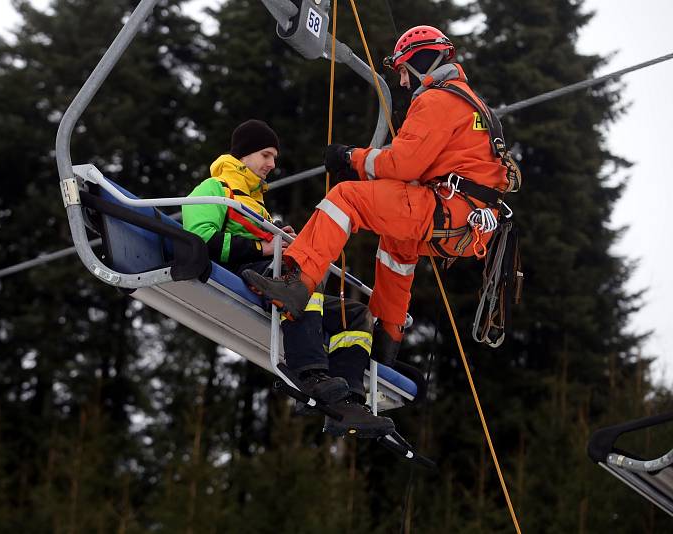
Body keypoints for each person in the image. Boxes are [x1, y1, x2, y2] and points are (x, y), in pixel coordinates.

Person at [243, 26, 520, 366]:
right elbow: (423, 167)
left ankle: (297, 284)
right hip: (469, 224)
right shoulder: (473, 105)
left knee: (346, 198)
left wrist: (350, 158)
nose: (403, 82)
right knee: (397, 244)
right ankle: (387, 340)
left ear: (420, 60)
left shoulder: (437, 100)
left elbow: (404, 164)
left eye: (403, 70)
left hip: (449, 208)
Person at [182, 119, 395, 438]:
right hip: (244, 272)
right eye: (266, 155)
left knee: (356, 314)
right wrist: (265, 246)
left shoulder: (257, 204)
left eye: (274, 158)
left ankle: (349, 399)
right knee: (306, 273)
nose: (271, 164)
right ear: (244, 154)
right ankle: (309, 372)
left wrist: (278, 237)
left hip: (269, 269)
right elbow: (201, 241)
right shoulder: (213, 189)